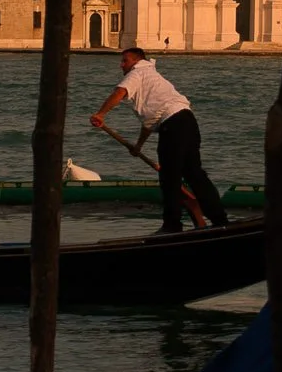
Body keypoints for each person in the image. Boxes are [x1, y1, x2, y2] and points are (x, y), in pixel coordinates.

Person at [92, 47, 228, 236]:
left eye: (125, 61)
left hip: (173, 126)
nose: (121, 65)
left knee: (169, 178)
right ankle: (220, 220)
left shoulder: (137, 72)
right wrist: (138, 146)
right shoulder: (151, 76)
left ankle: (172, 225)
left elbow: (119, 92)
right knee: (195, 174)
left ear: (136, 61)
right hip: (187, 122)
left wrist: (101, 113)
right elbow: (150, 122)